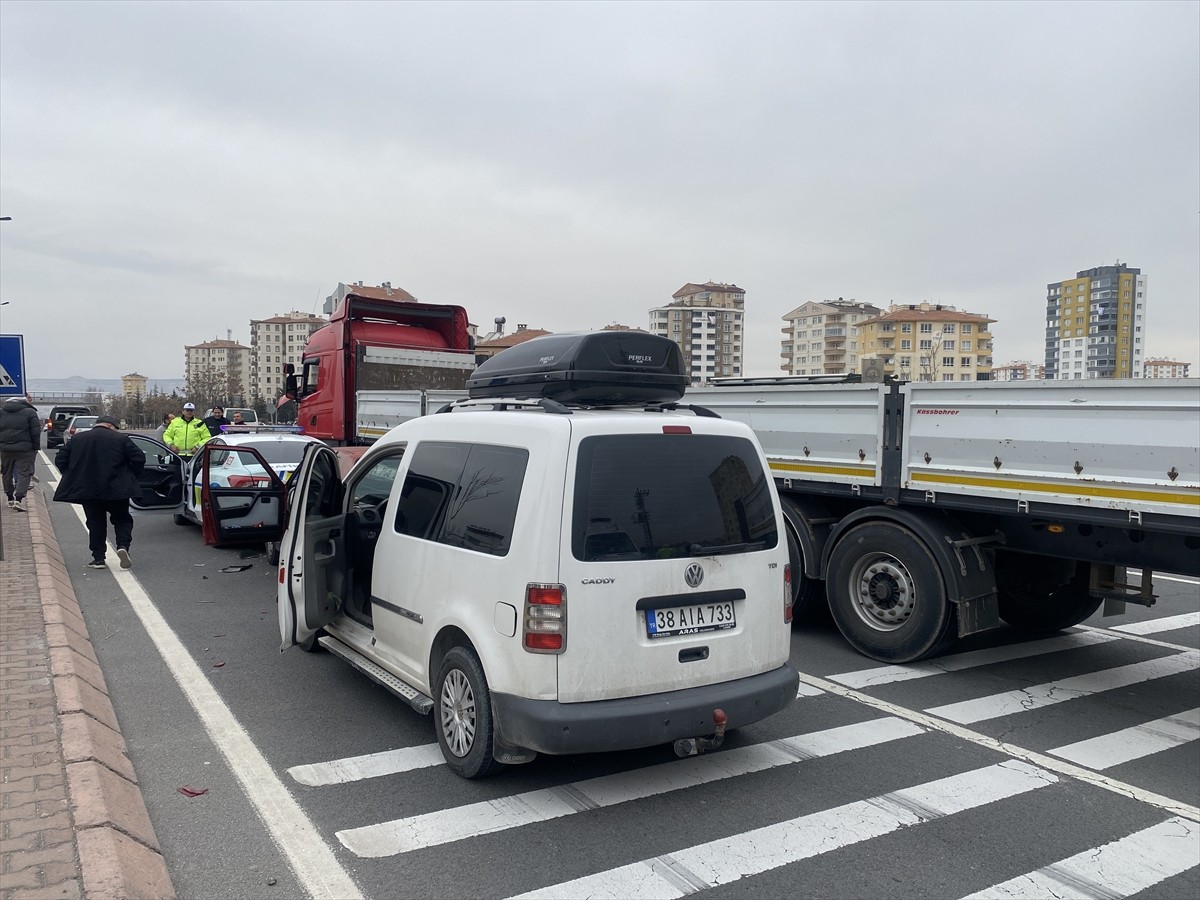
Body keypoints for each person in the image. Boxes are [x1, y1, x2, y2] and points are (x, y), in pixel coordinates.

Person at [53, 415, 144, 570]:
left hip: (88, 488)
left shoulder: (77, 439)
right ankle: (123, 546)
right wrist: (130, 476)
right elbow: (139, 458)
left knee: (95, 522)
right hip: (117, 488)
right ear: (110, 425)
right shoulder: (121, 439)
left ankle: (98, 558)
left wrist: (73, 475)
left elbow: (60, 459)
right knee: (122, 519)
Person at [1, 393, 42, 512]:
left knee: (6, 472)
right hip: (25, 449)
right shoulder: (30, 412)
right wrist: (35, 447)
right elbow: (35, 432)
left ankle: (9, 498)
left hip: (5, 449)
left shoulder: (2, 411)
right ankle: (18, 499)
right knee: (25, 473)